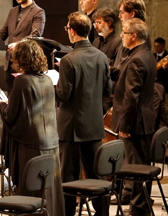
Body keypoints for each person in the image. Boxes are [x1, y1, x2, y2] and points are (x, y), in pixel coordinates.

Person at [0, 39, 64, 216]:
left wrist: (1, 103)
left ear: (21, 59)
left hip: (31, 145)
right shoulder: (46, 79)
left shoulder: (21, 81)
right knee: (49, 190)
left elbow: (11, 115)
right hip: (51, 142)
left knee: (32, 191)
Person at [56, 12, 111, 216]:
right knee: (97, 175)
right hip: (94, 125)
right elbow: (107, 91)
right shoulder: (102, 57)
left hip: (71, 128)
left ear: (72, 31)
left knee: (68, 177)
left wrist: (52, 84)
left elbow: (63, 95)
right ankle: (102, 213)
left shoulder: (68, 60)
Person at [112, 18, 157, 215]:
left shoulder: (137, 59)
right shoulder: (147, 54)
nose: (121, 36)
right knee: (141, 165)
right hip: (145, 119)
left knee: (136, 168)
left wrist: (125, 125)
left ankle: (138, 209)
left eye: (124, 32)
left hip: (135, 122)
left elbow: (131, 96)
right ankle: (143, 205)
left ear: (134, 36)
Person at [0, 0, 46, 91]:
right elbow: (3, 32)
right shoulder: (13, 11)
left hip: (25, 63)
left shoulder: (38, 12)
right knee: (11, 99)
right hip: (10, 63)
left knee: (24, 99)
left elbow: (35, 35)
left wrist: (18, 44)